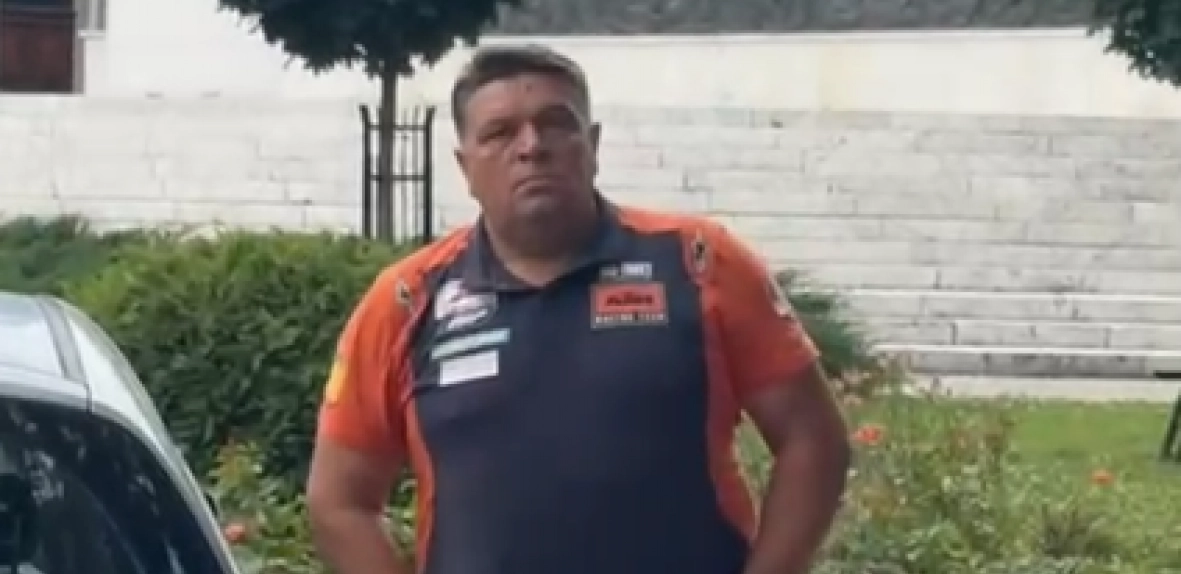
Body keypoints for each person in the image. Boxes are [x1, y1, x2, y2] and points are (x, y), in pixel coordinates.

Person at [305, 43, 851, 574]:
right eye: (499, 133)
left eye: (556, 124)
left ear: (592, 144)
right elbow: (338, 500)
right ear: (464, 166)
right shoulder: (405, 301)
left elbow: (812, 439)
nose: (532, 147)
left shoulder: (699, 262)